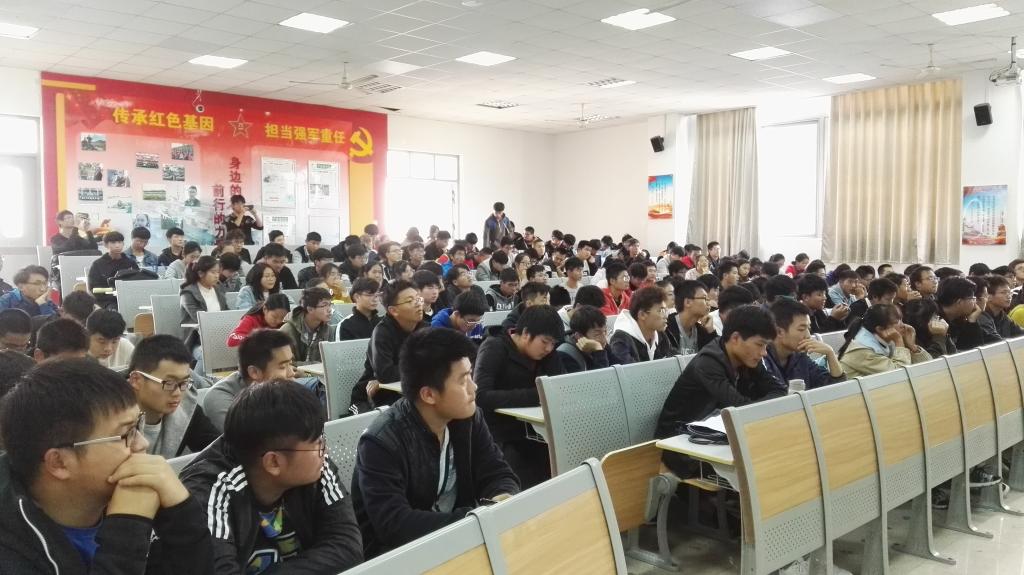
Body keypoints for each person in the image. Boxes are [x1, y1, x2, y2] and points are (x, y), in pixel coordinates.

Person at [0, 359, 215, 573]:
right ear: (59, 462)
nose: (143, 443)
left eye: (137, 425)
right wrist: (128, 529)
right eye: (127, 433)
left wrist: (181, 512)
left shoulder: (132, 495)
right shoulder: (11, 555)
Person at [352, 328, 518, 557]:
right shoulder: (381, 442)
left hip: (461, 541)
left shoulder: (468, 418)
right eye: (463, 380)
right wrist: (476, 518)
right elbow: (394, 524)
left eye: (470, 375)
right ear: (429, 395)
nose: (474, 387)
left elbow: (498, 472)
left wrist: (501, 498)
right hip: (399, 556)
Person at [182, 380, 362, 573]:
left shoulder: (316, 466)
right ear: (273, 462)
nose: (324, 451)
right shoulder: (209, 490)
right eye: (317, 443)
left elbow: (348, 548)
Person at [656, 305, 785, 441]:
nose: (764, 353)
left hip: (713, 434)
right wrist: (764, 406)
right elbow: (740, 408)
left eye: (766, 346)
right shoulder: (708, 363)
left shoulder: (748, 357)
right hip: (678, 437)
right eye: (760, 345)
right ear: (735, 338)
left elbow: (779, 390)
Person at [475, 305, 564, 487]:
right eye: (545, 342)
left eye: (553, 343)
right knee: (526, 479)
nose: (549, 348)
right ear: (525, 334)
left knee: (560, 469)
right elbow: (481, 396)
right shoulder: (494, 347)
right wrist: (537, 395)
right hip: (499, 433)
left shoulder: (547, 353)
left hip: (535, 431)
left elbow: (560, 386)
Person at [127, 335, 219, 458]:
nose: (177, 393)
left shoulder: (186, 407)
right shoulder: (109, 417)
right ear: (136, 380)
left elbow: (222, 452)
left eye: (184, 383)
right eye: (169, 383)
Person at [350, 280, 427, 415]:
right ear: (393, 310)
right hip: (372, 398)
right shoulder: (382, 332)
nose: (418, 304)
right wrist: (422, 367)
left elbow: (437, 362)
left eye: (418, 299)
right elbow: (386, 374)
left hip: (406, 391)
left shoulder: (425, 329)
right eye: (410, 301)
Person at [203, 329, 297, 432]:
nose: (292, 373)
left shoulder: (279, 389)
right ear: (254, 372)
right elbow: (247, 438)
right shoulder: (221, 398)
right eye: (282, 366)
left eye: (290, 364)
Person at [765, 299, 845, 389]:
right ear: (779, 332)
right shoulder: (761, 360)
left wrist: (830, 354)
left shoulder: (800, 357)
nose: (808, 336)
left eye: (809, 329)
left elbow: (837, 389)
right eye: (801, 329)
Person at [838, 304, 931, 377]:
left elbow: (929, 367)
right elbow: (900, 375)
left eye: (901, 320)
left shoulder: (885, 339)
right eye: (896, 322)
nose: (903, 325)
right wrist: (899, 342)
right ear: (880, 329)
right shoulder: (863, 350)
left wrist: (912, 347)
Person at [609, 286, 672, 364]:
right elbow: (629, 370)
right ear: (642, 315)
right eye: (661, 311)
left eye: (666, 310)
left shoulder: (660, 334)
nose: (666, 316)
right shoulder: (621, 340)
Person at [180, 255, 228, 351]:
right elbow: (199, 318)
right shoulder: (188, 293)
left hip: (219, 334)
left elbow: (226, 312)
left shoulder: (218, 288)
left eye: (218, 272)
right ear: (201, 273)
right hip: (197, 340)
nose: (217, 276)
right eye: (213, 272)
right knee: (212, 352)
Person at [280, 287, 335, 364]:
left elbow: (330, 360)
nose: (330, 310)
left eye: (330, 304)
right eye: (324, 305)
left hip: (318, 371)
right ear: (310, 309)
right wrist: (313, 366)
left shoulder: (328, 330)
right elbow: (286, 363)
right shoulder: (287, 331)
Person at [934, 276, 987, 353]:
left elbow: (977, 351)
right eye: (972, 298)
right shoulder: (934, 322)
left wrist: (972, 321)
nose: (975, 303)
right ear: (959, 302)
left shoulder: (958, 319)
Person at [557, 305, 615, 372]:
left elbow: (620, 367)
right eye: (597, 334)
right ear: (579, 336)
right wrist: (599, 352)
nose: (604, 339)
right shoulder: (566, 355)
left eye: (605, 331)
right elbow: (603, 377)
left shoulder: (601, 343)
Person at [665, 279, 717, 355]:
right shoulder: (666, 329)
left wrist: (711, 331)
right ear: (688, 302)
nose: (708, 303)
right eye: (704, 298)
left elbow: (716, 355)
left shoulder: (702, 331)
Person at [979, 275, 1024, 339]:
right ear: (988, 296)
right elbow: (997, 342)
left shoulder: (1003, 316)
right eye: (1003, 292)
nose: (1009, 296)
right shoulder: (981, 317)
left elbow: (1020, 333)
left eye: (1009, 292)